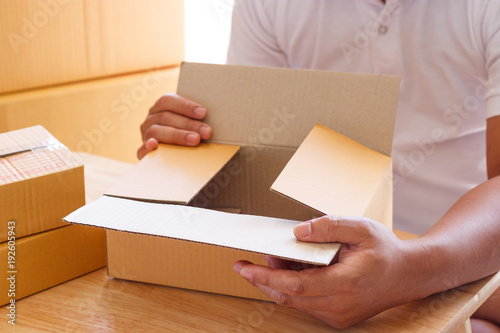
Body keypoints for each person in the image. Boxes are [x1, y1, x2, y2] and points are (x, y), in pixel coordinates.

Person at [138, 0, 500, 331]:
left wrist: (412, 268)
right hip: (318, 251)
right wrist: (182, 150)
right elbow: (255, 147)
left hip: (470, 248)